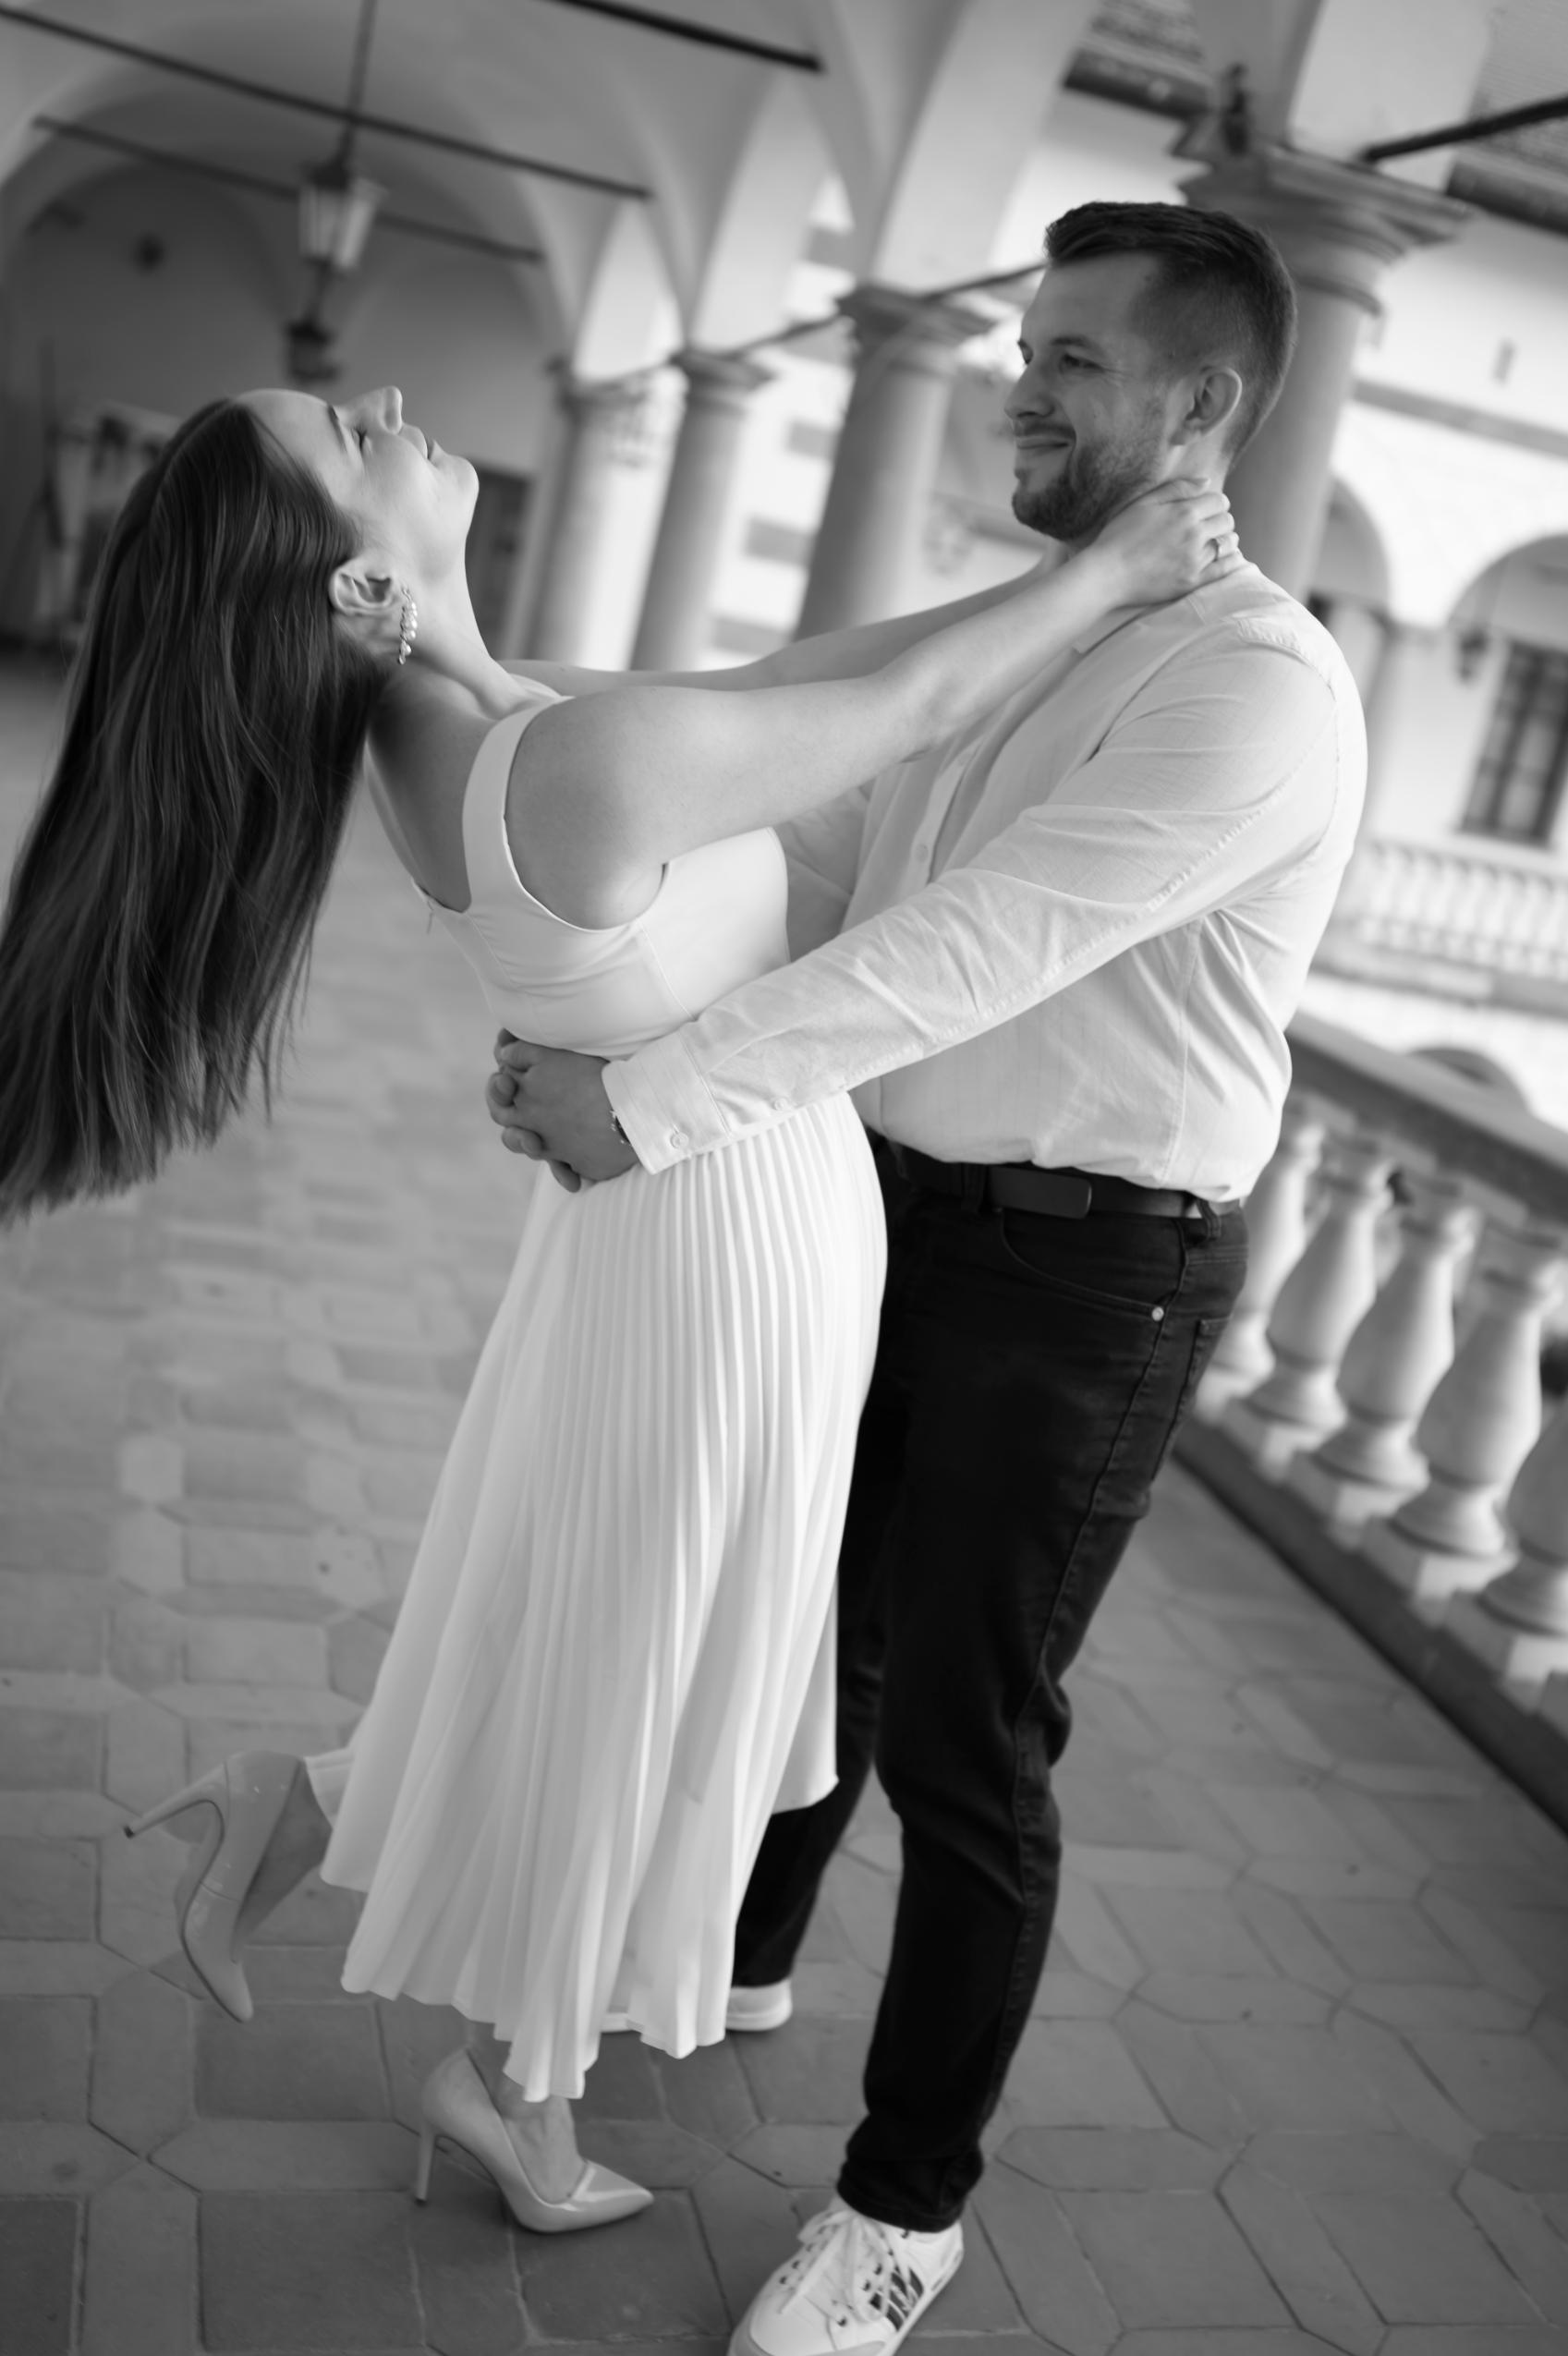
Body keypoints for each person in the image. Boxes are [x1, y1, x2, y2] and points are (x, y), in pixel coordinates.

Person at [0, 367, 1237, 2235]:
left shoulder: (476, 723)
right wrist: (1116, 569)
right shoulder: (562, 757)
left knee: (601, 1635)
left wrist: (1079, 581)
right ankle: (514, 2086)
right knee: (637, 1668)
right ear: (357, 586)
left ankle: (333, 1848)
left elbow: (807, 665)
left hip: (684, 1230)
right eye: (346, 431)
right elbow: (903, 707)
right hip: (718, 1252)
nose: (387, 401)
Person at [486, 200, 1367, 2350]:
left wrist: (654, 1100)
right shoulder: (1036, 624)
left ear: (1202, 403)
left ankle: (904, 2214)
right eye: (1025, 345)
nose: (1015, 383)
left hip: (1091, 1276)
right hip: (886, 1203)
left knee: (974, 1744)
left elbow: (976, 949)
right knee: (812, 1637)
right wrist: (596, 963)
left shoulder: (1258, 686)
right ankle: (741, 1953)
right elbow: (825, 855)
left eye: (1069, 357)